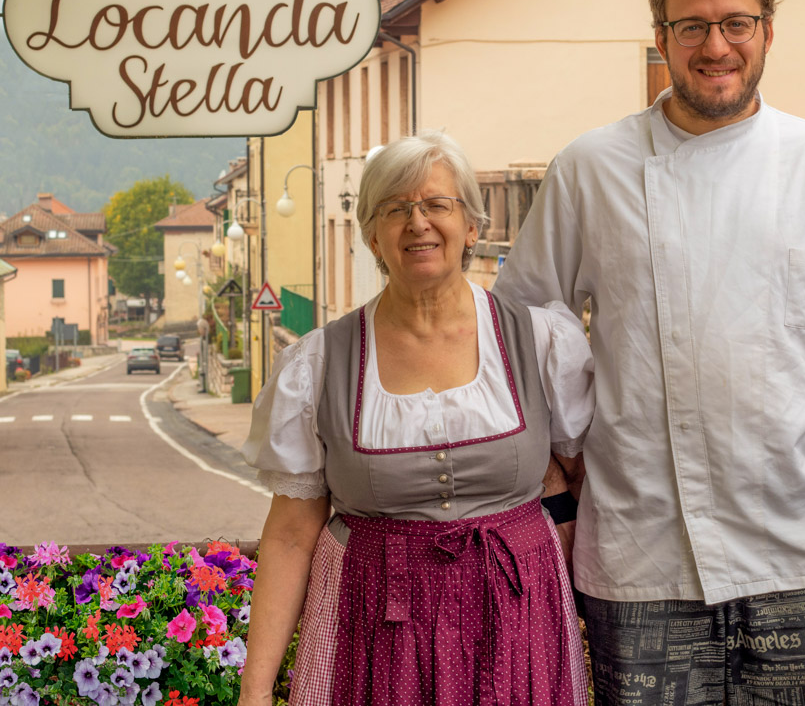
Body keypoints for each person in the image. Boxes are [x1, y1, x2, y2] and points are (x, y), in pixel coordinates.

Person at [494, 0, 805, 704]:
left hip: (803, 556)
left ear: (768, 30)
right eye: (692, 27)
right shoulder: (592, 167)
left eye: (737, 22)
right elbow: (520, 331)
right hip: (641, 559)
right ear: (660, 39)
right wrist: (559, 479)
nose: (715, 45)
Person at [236, 131, 593, 706]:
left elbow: (579, 481)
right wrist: (255, 688)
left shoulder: (540, 341)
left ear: (471, 226)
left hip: (518, 621)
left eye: (435, 205)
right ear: (373, 236)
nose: (417, 222)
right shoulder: (320, 363)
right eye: (395, 209)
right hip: (373, 626)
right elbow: (290, 534)